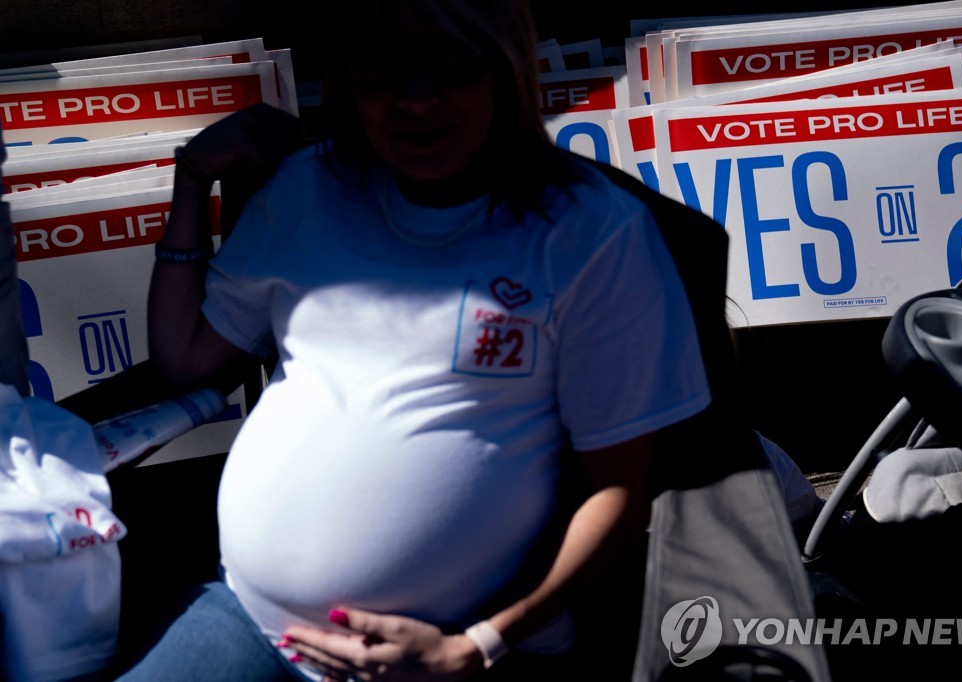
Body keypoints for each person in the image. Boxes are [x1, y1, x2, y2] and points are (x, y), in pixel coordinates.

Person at [117, 1, 711, 679]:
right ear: (347, 78)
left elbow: (621, 491)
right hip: (254, 622)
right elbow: (185, 360)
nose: (417, 101)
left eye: (453, 64)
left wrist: (478, 645)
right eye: (381, 69)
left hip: (459, 652)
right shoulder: (311, 189)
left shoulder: (588, 233)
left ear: (506, 70)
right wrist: (191, 183)